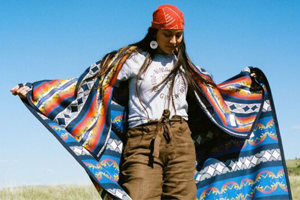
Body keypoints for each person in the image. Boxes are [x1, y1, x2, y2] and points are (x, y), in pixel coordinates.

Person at [11, 4, 292, 200]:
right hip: (142, 141)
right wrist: (33, 90)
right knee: (139, 196)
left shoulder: (186, 66)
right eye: (167, 34)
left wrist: (249, 82)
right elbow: (89, 85)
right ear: (154, 32)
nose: (173, 40)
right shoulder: (132, 59)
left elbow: (215, 95)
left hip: (182, 141)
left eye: (178, 35)